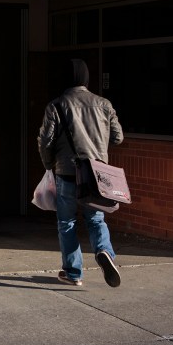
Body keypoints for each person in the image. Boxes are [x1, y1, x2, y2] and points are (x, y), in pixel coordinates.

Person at [38, 59, 124, 287]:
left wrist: (49, 165)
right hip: (95, 175)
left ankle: (73, 273)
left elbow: (45, 142)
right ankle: (104, 251)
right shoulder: (104, 104)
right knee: (96, 220)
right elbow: (118, 137)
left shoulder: (55, 106)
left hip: (66, 173)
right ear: (86, 79)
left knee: (66, 222)